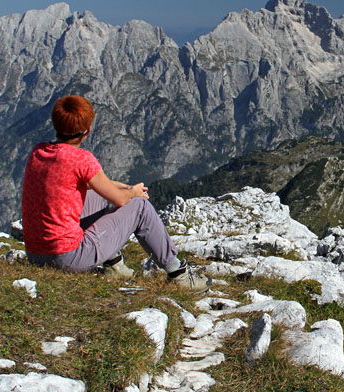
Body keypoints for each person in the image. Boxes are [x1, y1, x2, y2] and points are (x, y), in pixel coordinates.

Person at [20, 95, 210, 289]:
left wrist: (126, 188)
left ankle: (114, 266)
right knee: (141, 206)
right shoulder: (81, 159)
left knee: (98, 198)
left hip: (34, 254)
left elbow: (100, 185)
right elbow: (119, 200)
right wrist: (133, 193)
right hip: (67, 258)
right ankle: (179, 275)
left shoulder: (39, 151)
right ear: (87, 131)